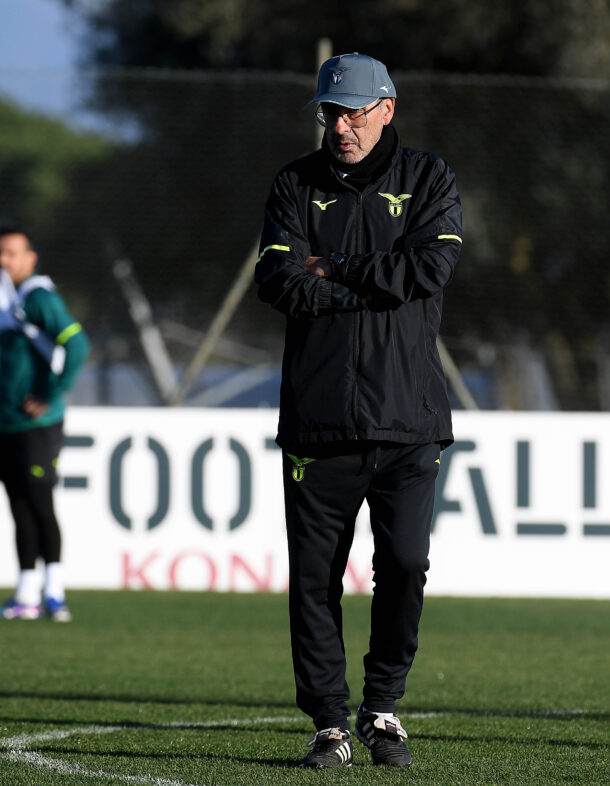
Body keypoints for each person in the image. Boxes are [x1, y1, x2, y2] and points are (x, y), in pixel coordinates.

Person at [254, 52, 462, 768]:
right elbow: (279, 282)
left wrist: (334, 266)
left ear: (387, 109)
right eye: (329, 113)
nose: (339, 126)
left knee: (404, 563)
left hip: (410, 419)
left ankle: (383, 708)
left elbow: (428, 271)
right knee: (315, 579)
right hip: (319, 420)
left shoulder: (429, 178)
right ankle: (329, 724)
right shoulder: (293, 182)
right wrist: (369, 280)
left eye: (352, 112)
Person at [0, 228, 90, 622]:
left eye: (12, 253)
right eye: (0, 253)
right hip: (8, 423)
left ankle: (55, 593)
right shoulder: (6, 299)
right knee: (19, 507)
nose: (3, 261)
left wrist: (50, 394)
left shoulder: (39, 297)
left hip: (38, 425)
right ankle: (26, 593)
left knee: (41, 504)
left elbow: (77, 344)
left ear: (31, 258)